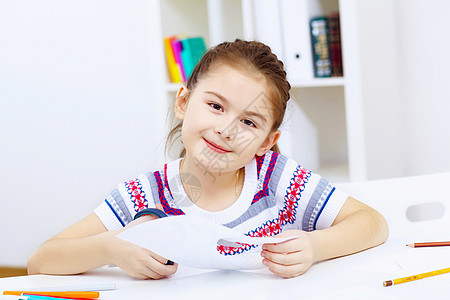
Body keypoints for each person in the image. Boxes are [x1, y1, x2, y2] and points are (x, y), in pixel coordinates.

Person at [28, 39, 388, 279]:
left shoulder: (279, 180)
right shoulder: (143, 195)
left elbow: (372, 223)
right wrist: (113, 247)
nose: (227, 129)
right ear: (183, 102)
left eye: (249, 121)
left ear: (268, 141)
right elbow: (41, 260)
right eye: (215, 106)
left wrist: (314, 247)